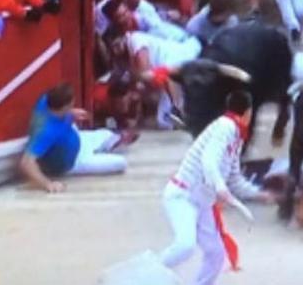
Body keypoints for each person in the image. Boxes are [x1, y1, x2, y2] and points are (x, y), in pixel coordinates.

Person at [158, 90, 277, 284]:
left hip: (202, 201)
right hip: (183, 195)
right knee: (185, 246)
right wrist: (221, 188)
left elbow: (234, 178)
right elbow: (209, 161)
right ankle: (144, 275)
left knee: (215, 253)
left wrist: (260, 194)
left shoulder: (235, 136)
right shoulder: (225, 127)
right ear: (248, 112)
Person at [19, 83, 131, 193]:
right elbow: (26, 163)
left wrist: (72, 113)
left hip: (76, 138)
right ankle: (105, 149)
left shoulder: (45, 101)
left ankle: (111, 143)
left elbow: (58, 111)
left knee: (106, 133)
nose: (73, 106)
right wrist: (48, 184)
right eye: (71, 105)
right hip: (72, 163)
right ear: (64, 107)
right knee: (121, 163)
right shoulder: (46, 131)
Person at [104, 20, 202, 129]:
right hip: (166, 74)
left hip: (184, 53)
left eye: (116, 45)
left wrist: (136, 90)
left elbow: (147, 72)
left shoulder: (135, 40)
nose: (115, 49)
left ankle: (179, 110)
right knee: (163, 122)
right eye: (112, 47)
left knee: (164, 118)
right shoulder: (121, 60)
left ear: (123, 37)